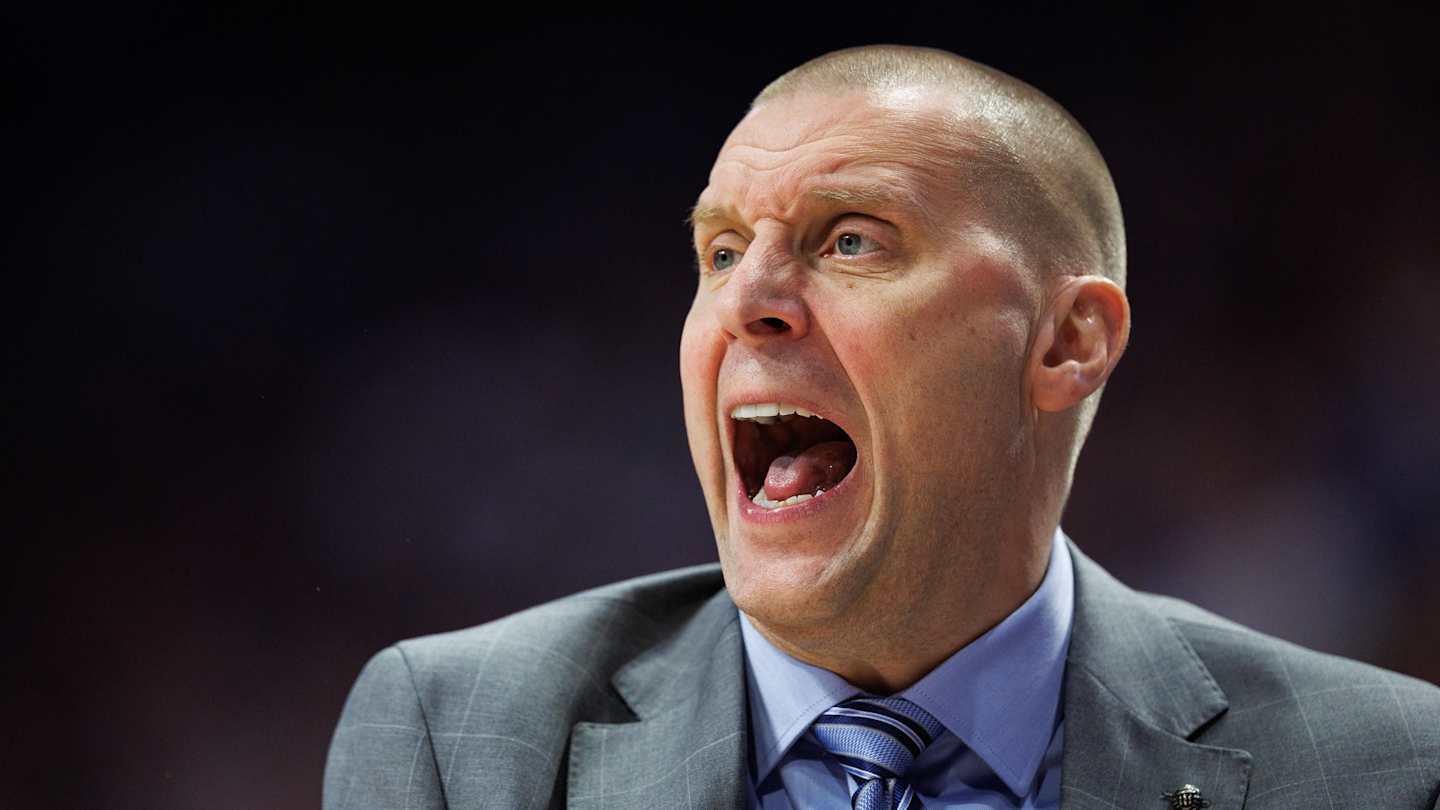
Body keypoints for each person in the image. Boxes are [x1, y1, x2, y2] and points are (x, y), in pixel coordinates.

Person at [323, 45, 1440, 810]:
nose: (748, 299)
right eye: (721, 251)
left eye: (852, 240)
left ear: (1067, 343)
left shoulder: (1383, 770)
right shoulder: (459, 737)